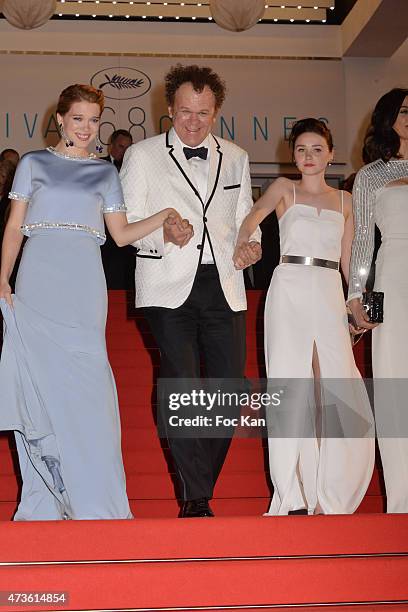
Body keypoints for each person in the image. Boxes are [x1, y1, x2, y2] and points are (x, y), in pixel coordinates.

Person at [0, 84, 184, 521]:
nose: (85, 127)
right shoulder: (33, 163)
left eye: (93, 119)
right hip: (39, 282)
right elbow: (14, 228)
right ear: (60, 119)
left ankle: (92, 498)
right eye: (77, 118)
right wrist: (1, 278)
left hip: (84, 287)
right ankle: (48, 494)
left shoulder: (105, 172)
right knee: (41, 388)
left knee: (90, 394)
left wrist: (162, 214)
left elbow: (120, 235)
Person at [120, 64, 261, 518]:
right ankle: (196, 499)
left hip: (224, 285)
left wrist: (248, 249)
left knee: (229, 390)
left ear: (216, 110)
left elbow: (243, 224)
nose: (193, 121)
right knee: (179, 383)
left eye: (203, 113)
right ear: (169, 110)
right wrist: (164, 232)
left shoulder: (236, 156)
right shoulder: (142, 156)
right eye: (184, 112)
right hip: (167, 284)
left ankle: (198, 485)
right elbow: (126, 228)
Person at [234, 118, 375, 515]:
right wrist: (246, 244)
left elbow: (350, 262)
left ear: (331, 154)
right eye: (301, 150)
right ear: (291, 154)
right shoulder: (283, 188)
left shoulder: (347, 201)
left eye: (317, 149)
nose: (309, 157)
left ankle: (330, 489)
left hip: (329, 290)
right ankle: (292, 490)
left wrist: (357, 302)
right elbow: (250, 219)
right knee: (290, 384)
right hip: (289, 288)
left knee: (333, 384)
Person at [348, 88, 408, 513]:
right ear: (389, 118)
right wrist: (357, 297)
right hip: (393, 276)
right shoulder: (372, 175)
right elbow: (364, 242)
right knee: (395, 388)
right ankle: (403, 500)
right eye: (405, 112)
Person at [100, 129, 135, 288]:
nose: (125, 152)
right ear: (111, 146)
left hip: (131, 230)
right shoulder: (98, 166)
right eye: (121, 147)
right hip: (105, 232)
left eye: (128, 148)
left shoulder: (136, 168)